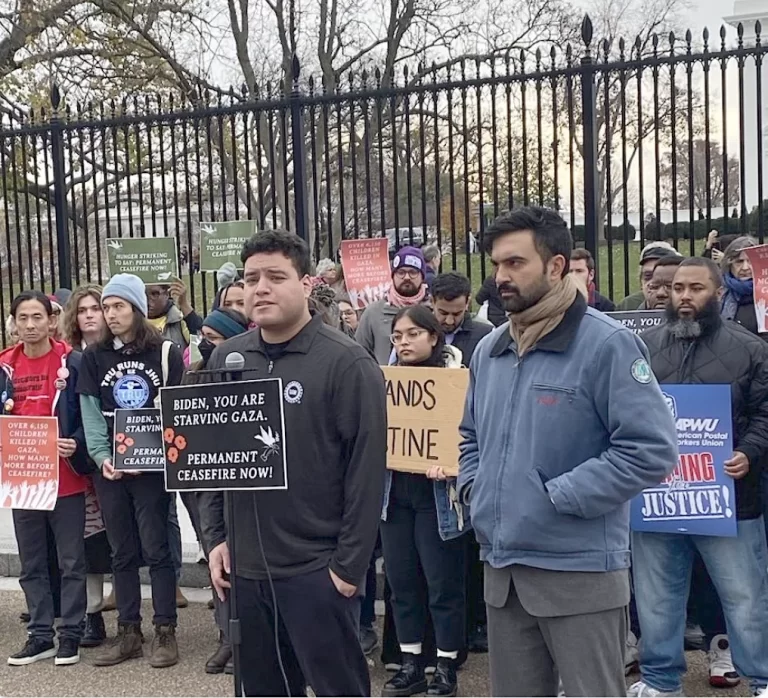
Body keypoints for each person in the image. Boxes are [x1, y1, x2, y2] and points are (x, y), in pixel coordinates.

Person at [457, 206, 678, 697]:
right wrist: (474, 488)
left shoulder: (607, 345)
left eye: (516, 263)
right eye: (496, 265)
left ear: (556, 266)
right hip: (504, 573)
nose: (501, 278)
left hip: (579, 576)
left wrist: (558, 496)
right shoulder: (489, 351)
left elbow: (651, 449)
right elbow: (469, 435)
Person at [201, 229, 387, 697]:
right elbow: (210, 460)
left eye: (275, 276)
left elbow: (366, 474)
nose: (259, 287)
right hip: (246, 571)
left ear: (306, 284)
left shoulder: (346, 363)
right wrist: (217, 538)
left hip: (316, 572)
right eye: (251, 278)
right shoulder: (228, 357)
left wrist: (347, 570)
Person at [631, 257, 768, 698]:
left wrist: (748, 452)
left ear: (718, 293)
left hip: (730, 499)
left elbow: (765, 414)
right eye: (677, 289)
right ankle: (660, 680)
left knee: (745, 597)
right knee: (656, 597)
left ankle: (763, 680)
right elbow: (626, 412)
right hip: (657, 498)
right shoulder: (643, 347)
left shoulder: (750, 349)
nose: (684, 297)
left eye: (696, 289)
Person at [77, 273, 184, 668]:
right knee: (122, 552)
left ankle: (165, 631)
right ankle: (129, 632)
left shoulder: (166, 352)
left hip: (152, 471)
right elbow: (91, 411)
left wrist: (149, 456)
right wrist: (103, 456)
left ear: (137, 308)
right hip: (112, 472)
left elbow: (175, 408)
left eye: (118, 305)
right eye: (106, 307)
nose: (110, 313)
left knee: (156, 549)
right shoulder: (94, 356)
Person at [381, 305, 468, 698]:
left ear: (434, 337)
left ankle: (446, 666)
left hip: (438, 499)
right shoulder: (384, 381)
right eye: (397, 336)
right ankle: (411, 663)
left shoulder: (456, 381)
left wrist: (453, 463)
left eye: (413, 334)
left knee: (442, 585)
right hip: (394, 497)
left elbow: (470, 436)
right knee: (402, 584)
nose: (403, 342)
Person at [1, 291, 91, 667]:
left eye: (38, 317)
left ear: (51, 321)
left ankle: (70, 632)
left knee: (72, 561)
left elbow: (91, 414)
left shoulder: (73, 361)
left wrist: (79, 444)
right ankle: (40, 634)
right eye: (23, 318)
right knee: (32, 562)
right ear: (14, 322)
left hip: (66, 479)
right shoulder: (4, 365)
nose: (31, 325)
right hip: (23, 480)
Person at [182, 307, 250, 675]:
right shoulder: (191, 376)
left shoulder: (251, 376)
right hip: (206, 481)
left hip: (246, 480)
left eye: (215, 339)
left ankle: (250, 636)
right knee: (215, 555)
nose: (205, 345)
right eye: (203, 337)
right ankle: (226, 637)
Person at [430, 271, 491, 654]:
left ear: (467, 302)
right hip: (433, 449)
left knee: (473, 546)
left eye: (456, 312)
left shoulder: (484, 335)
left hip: (472, 443)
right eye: (442, 313)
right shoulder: (422, 333)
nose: (450, 320)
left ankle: (478, 622)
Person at [62, 285, 112, 648]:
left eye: (97, 308)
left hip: (113, 456)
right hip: (77, 462)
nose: (91, 315)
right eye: (83, 310)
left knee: (113, 538)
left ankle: (119, 610)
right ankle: (89, 612)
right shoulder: (66, 357)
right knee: (85, 536)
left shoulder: (115, 351)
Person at [356, 246, 430, 364]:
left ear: (422, 276)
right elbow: (359, 353)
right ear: (393, 276)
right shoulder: (374, 312)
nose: (406, 277)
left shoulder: (432, 311)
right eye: (401, 272)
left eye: (413, 272)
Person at [719, 236, 765, 338]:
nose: (745, 268)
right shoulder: (719, 291)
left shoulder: (765, 291)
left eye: (750, 261)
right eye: (739, 262)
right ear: (729, 264)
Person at [617, 242, 681, 311]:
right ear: (641, 282)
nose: (660, 292)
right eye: (648, 276)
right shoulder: (627, 306)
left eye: (667, 284)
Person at [145, 279, 204, 350]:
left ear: (167, 294)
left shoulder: (179, 321)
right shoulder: (133, 323)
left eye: (154, 294)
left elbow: (200, 343)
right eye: (143, 293)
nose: (148, 299)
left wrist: (184, 304)